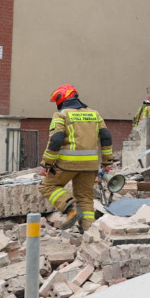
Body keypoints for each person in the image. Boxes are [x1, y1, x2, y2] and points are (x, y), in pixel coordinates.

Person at [38, 85, 112, 231]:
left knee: (47, 186)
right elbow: (106, 137)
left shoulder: (61, 115)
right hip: (90, 166)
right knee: (85, 197)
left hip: (67, 164)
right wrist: (107, 161)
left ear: (61, 100)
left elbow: (56, 140)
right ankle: (89, 233)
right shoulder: (95, 114)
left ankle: (70, 207)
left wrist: (46, 164)